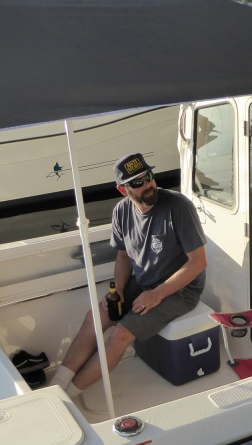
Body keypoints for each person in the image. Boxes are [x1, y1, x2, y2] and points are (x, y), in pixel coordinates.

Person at [49, 153, 208, 398]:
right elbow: (123, 256)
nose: (147, 185)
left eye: (148, 177)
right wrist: (120, 290)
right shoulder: (121, 211)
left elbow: (198, 263)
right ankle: (55, 388)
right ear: (123, 190)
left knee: (120, 334)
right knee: (97, 315)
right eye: (137, 182)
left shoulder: (178, 206)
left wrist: (157, 294)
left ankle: (68, 396)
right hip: (143, 283)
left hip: (180, 290)